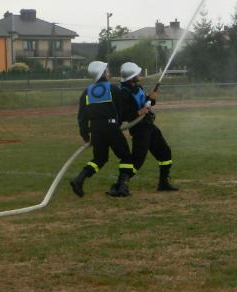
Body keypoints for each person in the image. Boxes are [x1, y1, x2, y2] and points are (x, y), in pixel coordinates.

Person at [69, 60, 135, 198]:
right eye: (107, 71)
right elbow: (121, 111)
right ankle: (122, 187)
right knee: (126, 156)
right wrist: (116, 126)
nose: (109, 73)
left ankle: (79, 179)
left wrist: (85, 135)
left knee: (100, 158)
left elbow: (82, 117)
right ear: (103, 73)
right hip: (111, 126)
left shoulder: (87, 92)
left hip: (95, 129)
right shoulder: (113, 89)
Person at [117, 61, 178, 192]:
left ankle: (163, 183)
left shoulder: (137, 87)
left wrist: (151, 98)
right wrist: (139, 112)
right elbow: (123, 115)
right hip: (139, 129)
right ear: (131, 77)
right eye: (137, 73)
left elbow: (146, 104)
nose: (139, 75)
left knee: (165, 152)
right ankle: (120, 185)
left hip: (148, 125)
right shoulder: (124, 93)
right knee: (137, 160)